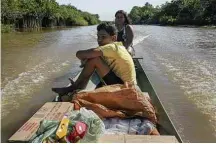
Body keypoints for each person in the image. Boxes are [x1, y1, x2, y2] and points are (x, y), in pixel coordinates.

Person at [52, 22, 136, 96]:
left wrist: (85, 59)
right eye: (98, 36)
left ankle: (74, 87)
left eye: (103, 37)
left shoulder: (111, 47)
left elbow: (79, 54)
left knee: (94, 59)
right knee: (94, 58)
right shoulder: (118, 46)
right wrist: (87, 59)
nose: (99, 40)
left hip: (125, 89)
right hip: (126, 86)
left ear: (113, 38)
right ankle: (78, 87)